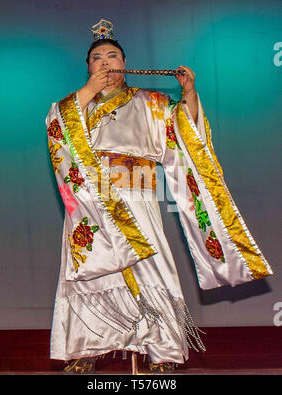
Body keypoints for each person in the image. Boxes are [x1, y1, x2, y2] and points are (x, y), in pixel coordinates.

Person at [45, 19, 273, 374]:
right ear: (88, 67)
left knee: (153, 268)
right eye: (97, 58)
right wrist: (88, 91)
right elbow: (58, 129)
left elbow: (187, 136)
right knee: (91, 272)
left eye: (113, 55)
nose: (106, 62)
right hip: (92, 201)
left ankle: (163, 352)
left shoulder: (151, 102)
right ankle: (86, 346)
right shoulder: (76, 107)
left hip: (138, 197)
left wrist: (189, 96)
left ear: (125, 62)